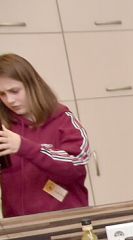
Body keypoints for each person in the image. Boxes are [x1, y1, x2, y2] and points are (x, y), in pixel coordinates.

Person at [0, 54, 90, 217]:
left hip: (66, 222)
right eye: (2, 94)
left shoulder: (63, 119)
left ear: (32, 85)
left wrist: (24, 147)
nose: (9, 100)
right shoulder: (5, 126)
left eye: (14, 91)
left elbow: (75, 164)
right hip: (18, 226)